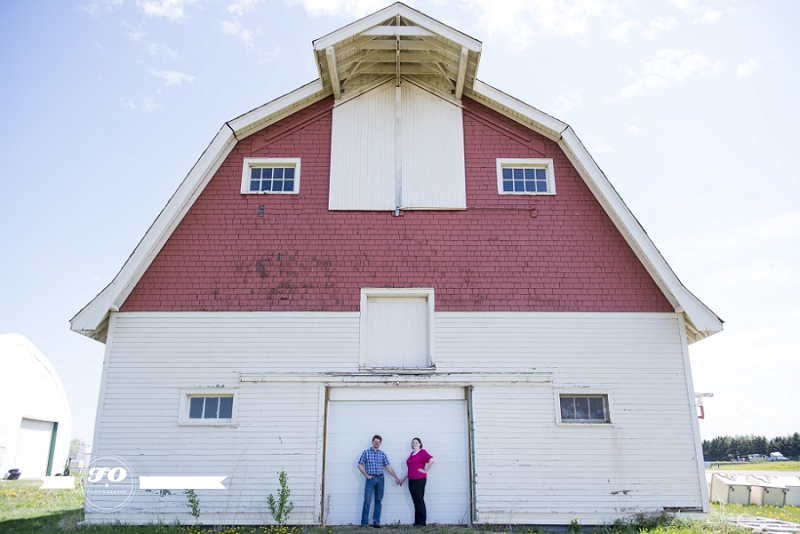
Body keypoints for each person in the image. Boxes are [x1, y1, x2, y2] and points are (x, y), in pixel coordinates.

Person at [358, 434, 401, 528]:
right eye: (375, 441)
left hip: (380, 479)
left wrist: (396, 477)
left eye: (378, 442)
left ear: (380, 443)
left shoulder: (382, 454)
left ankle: (376, 522)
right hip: (370, 479)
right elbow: (359, 465)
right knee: (367, 501)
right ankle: (364, 523)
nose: (376, 443)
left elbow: (388, 466)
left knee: (378, 500)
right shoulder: (366, 452)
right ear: (372, 442)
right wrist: (367, 475)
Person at [399, 437, 434, 527]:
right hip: (411, 480)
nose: (414, 444)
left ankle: (422, 522)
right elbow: (410, 469)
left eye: (416, 442)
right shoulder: (412, 454)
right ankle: (417, 522)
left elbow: (431, 460)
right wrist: (403, 479)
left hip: (419, 480)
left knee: (419, 500)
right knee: (415, 501)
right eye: (413, 442)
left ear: (420, 444)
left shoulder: (422, 452)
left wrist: (425, 470)